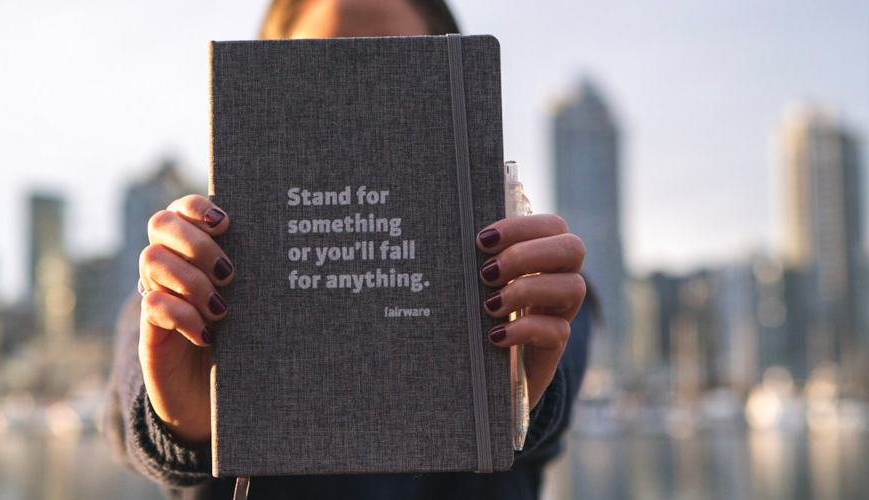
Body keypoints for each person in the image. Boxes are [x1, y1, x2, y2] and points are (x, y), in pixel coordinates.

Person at [106, 0, 592, 498]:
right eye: (323, 69)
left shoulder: (528, 276)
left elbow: (556, 391)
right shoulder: (194, 274)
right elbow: (127, 403)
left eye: (392, 69)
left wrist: (516, 394)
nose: (356, 99)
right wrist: (184, 425)